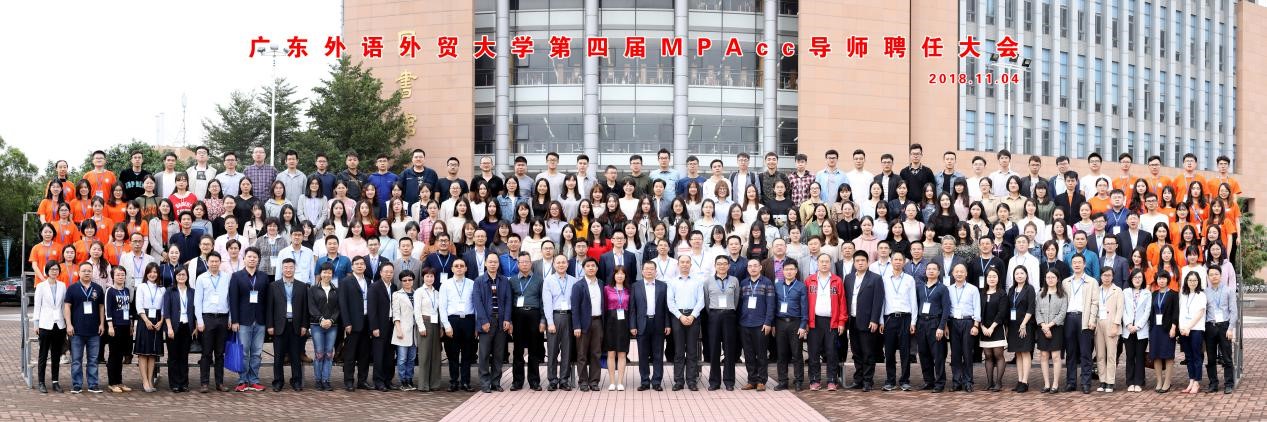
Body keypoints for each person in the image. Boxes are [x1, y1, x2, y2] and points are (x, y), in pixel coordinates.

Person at [228, 247, 268, 392]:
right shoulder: (236, 276)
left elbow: (267, 300)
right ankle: (243, 380)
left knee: (257, 352)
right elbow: (233, 300)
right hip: (243, 321)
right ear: (244, 259)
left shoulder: (264, 277)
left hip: (260, 320)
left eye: (255, 257)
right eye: (249, 256)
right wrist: (235, 320)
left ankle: (254, 380)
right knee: (244, 352)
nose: (252, 259)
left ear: (258, 260)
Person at [267, 258, 309, 391]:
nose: (288, 270)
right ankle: (278, 381)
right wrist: (270, 325)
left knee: (295, 355)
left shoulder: (302, 286)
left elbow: (305, 308)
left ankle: (296, 381)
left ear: (295, 268)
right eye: (286, 267)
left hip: (296, 325)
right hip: (279, 325)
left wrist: (304, 325)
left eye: (291, 267)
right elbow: (269, 308)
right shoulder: (274, 286)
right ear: (282, 269)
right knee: (278, 356)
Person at [844, 250, 883, 391]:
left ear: (867, 262)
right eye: (857, 261)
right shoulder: (848, 278)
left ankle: (868, 381)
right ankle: (858, 379)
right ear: (854, 263)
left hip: (867, 321)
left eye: (863, 261)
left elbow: (878, 301)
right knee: (856, 352)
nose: (860, 263)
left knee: (868, 352)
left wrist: (874, 319)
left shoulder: (875, 278)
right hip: (852, 320)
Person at [65, 262, 106, 394]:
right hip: (76, 330)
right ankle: (77, 384)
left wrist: (102, 324)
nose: (87, 273)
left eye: (89, 271)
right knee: (76, 360)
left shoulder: (98, 288)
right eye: (84, 271)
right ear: (79, 272)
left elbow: (101, 307)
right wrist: (69, 324)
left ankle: (93, 384)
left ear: (92, 272)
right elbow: (67, 307)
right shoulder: (72, 288)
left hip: (94, 330)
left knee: (93, 360)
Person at [472, 254, 511, 393]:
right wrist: (483, 321)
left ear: (498, 264)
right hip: (486, 322)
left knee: (498, 354)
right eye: (490, 262)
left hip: (500, 322)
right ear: (486, 264)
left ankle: (495, 382)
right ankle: (484, 383)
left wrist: (507, 319)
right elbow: (477, 302)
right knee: (484, 354)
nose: (493, 264)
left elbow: (508, 300)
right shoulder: (479, 281)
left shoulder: (504, 280)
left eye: (495, 262)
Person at [438, 258, 478, 392]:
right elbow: (442, 307)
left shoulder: (472, 284)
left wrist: (476, 325)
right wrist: (446, 325)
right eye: (456, 266)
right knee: (452, 354)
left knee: (467, 354)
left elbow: (476, 305)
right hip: (452, 321)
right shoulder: (446, 285)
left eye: (462, 266)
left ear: (466, 268)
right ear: (452, 269)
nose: (459, 268)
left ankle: (466, 382)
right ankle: (453, 382)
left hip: (468, 321)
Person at [193, 252, 229, 393]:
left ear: (220, 262)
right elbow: (197, 301)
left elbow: (229, 299)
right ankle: (204, 383)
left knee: (220, 353)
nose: (214, 264)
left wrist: (230, 318)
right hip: (207, 318)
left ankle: (220, 383)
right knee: (206, 353)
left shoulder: (226, 277)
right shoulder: (201, 278)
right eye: (211, 261)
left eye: (216, 261)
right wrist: (199, 321)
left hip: (223, 318)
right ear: (207, 263)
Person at [508, 252, 545, 391]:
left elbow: (542, 301)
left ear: (531, 263)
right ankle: (517, 381)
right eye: (521, 262)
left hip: (534, 315)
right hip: (517, 316)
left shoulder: (539, 280)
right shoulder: (512, 281)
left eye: (527, 262)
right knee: (518, 350)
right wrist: (510, 321)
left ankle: (534, 381)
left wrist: (543, 320)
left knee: (534, 349)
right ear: (518, 264)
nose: (524, 264)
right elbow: (509, 302)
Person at [880, 251, 917, 391]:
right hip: (889, 318)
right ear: (891, 261)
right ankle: (890, 380)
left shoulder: (909, 279)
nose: (897, 262)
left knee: (905, 351)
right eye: (895, 259)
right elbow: (882, 301)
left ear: (904, 262)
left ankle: (905, 380)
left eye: (900, 260)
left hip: (905, 318)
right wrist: (881, 320)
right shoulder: (884, 279)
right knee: (889, 351)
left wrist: (913, 321)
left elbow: (913, 301)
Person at [631, 260, 670, 391]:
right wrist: (633, 325)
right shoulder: (636, 286)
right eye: (646, 269)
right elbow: (632, 308)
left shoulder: (663, 286)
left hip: (658, 323)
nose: (649, 271)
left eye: (651, 269)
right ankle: (645, 381)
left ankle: (657, 381)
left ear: (655, 271)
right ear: (642, 271)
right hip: (642, 324)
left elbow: (666, 307)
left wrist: (667, 324)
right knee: (643, 354)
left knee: (658, 354)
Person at [668, 254, 705, 391]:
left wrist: (693, 315)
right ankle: (678, 381)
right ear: (678, 265)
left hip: (693, 317)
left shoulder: (698, 281)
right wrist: (680, 316)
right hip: (678, 317)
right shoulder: (672, 282)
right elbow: (670, 302)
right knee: (678, 351)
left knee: (692, 350)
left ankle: (691, 381)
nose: (684, 264)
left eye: (687, 262)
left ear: (691, 265)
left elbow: (701, 301)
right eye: (682, 262)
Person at [738, 258, 775, 391]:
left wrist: (768, 322)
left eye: (755, 266)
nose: (753, 268)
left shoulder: (767, 283)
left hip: (761, 324)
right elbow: (740, 303)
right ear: (747, 268)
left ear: (760, 268)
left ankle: (761, 381)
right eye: (750, 266)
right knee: (748, 354)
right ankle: (751, 380)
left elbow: (771, 304)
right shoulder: (743, 283)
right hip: (745, 323)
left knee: (761, 354)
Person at [1062, 254, 1096, 394]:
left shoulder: (1092, 282)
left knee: (1085, 353)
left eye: (1079, 262)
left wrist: (1092, 319)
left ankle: (1086, 383)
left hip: (1084, 318)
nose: (1076, 264)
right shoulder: (1066, 282)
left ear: (1084, 264)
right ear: (1071, 265)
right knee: (1070, 352)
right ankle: (1071, 382)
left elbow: (1095, 302)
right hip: (1069, 318)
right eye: (1074, 262)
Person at [705, 255, 740, 391]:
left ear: (728, 266)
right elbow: (707, 301)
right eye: (719, 263)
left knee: (729, 349)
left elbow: (736, 299)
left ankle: (729, 381)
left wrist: (728, 310)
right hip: (714, 315)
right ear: (715, 266)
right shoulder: (708, 281)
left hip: (729, 316)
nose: (722, 266)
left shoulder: (734, 280)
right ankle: (714, 381)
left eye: (725, 263)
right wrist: (714, 312)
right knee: (714, 349)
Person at [570, 258, 605, 392]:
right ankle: (583, 381)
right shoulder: (578, 286)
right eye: (588, 266)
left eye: (593, 266)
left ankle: (594, 381)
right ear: (584, 268)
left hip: (598, 322)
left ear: (597, 268)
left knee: (596, 353)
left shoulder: (601, 284)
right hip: (583, 324)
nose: (591, 268)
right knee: (582, 354)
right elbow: (575, 308)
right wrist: (576, 326)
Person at [339, 256, 373, 391]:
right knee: (350, 354)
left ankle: (362, 381)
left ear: (365, 266)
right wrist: (346, 323)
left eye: (362, 264)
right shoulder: (346, 281)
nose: (360, 266)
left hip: (367, 321)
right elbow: (343, 304)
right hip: (352, 323)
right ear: (352, 266)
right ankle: (348, 381)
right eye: (357, 264)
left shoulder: (369, 281)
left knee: (365, 354)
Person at [543, 254, 577, 391]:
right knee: (552, 350)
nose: (561, 265)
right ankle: (552, 380)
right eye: (558, 262)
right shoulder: (548, 280)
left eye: (563, 262)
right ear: (554, 265)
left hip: (569, 317)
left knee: (567, 351)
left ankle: (564, 380)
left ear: (567, 265)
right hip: (555, 317)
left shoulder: (574, 281)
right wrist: (550, 322)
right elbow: (547, 303)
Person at [915, 261, 950, 392]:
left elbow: (946, 309)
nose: (931, 271)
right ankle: (928, 381)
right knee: (923, 354)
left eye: (934, 269)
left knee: (938, 355)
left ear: (938, 272)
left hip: (935, 323)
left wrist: (941, 326)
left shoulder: (943, 288)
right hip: (921, 323)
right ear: (925, 271)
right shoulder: (920, 287)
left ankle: (940, 383)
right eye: (929, 269)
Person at [946, 262, 981, 392]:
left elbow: (977, 307)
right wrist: (946, 326)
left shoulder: (973, 289)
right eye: (957, 271)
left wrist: (976, 325)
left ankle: (968, 382)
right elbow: (946, 308)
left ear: (966, 274)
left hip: (968, 322)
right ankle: (956, 382)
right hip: (953, 322)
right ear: (953, 274)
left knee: (967, 353)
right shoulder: (948, 289)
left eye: (962, 271)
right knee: (955, 354)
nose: (959, 274)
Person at [34, 262, 68, 393]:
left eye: (56, 269)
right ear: (47, 271)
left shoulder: (62, 285)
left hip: (59, 325)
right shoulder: (41, 286)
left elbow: (63, 306)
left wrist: (66, 322)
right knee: (43, 355)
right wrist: (36, 323)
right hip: (45, 324)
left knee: (56, 355)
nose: (54, 271)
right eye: (52, 269)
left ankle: (55, 382)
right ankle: (41, 382)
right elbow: (37, 306)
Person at [1203, 266, 1237, 394]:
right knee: (1211, 358)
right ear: (1208, 277)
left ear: (1221, 275)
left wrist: (1230, 328)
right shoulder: (1205, 292)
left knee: (1227, 357)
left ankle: (1229, 384)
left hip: (1224, 327)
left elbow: (1233, 311)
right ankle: (1213, 384)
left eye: (1216, 274)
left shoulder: (1229, 290)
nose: (1214, 276)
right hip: (1210, 327)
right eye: (1211, 274)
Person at [162, 267, 196, 392]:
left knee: (184, 356)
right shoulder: (170, 291)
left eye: (183, 274)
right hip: (173, 327)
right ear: (175, 277)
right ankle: (174, 384)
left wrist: (195, 326)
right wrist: (169, 328)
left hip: (187, 327)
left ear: (187, 276)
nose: (181, 277)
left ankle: (184, 383)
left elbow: (195, 310)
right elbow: (166, 311)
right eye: (179, 275)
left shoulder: (192, 291)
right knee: (173, 357)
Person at [308, 263, 340, 392]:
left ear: (332, 274)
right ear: (320, 273)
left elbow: (338, 308)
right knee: (319, 353)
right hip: (317, 325)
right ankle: (318, 380)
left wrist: (331, 320)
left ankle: (326, 380)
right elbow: (311, 307)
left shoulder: (336, 290)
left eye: (329, 272)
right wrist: (321, 319)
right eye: (324, 272)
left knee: (329, 353)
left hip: (333, 325)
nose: (327, 274)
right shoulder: (312, 289)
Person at [1092, 267, 1123, 392]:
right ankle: (1102, 380)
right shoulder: (1097, 290)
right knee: (1100, 355)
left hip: (1111, 324)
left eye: (1109, 275)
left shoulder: (1117, 290)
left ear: (1113, 276)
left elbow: (1120, 309)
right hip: (1098, 324)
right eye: (1104, 275)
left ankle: (1110, 381)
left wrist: (1116, 324)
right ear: (1100, 276)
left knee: (1111, 354)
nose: (1106, 278)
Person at [1006, 266, 1037, 392]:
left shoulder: (1029, 289)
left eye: (1022, 273)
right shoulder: (1011, 289)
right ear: (1014, 276)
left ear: (1026, 275)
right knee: (1018, 353)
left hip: (1025, 325)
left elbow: (1031, 308)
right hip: (1013, 326)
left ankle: (1025, 381)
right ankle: (1019, 380)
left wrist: (1024, 324)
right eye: (1017, 273)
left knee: (1025, 352)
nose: (1019, 276)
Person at [1120, 269, 1152, 393]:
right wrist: (1128, 324)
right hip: (1128, 329)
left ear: (1143, 279)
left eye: (1139, 277)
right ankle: (1130, 382)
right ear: (1131, 279)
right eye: (1135, 277)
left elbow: (1147, 311)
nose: (1137, 280)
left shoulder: (1147, 293)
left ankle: (1139, 382)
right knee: (1129, 356)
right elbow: (1123, 309)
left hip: (1141, 330)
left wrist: (1137, 326)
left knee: (1140, 356)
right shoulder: (1125, 292)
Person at [368, 262, 398, 391]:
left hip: (392, 324)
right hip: (379, 325)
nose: (388, 274)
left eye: (391, 272)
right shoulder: (374, 287)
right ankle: (378, 381)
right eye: (386, 271)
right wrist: (374, 327)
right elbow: (371, 309)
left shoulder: (394, 287)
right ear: (380, 273)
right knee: (379, 355)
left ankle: (388, 380)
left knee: (390, 354)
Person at [603, 266, 633, 391]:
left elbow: (632, 308)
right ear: (613, 275)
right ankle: (611, 382)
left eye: (622, 274)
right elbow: (604, 307)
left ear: (625, 276)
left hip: (624, 323)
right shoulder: (607, 289)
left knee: (622, 353)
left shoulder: (629, 290)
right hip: (610, 323)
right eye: (617, 273)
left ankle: (620, 382)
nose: (620, 276)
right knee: (611, 353)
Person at [103, 266, 133, 393]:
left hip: (125, 326)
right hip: (115, 326)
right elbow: (107, 309)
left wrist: (131, 325)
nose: (120, 277)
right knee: (114, 355)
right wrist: (110, 325)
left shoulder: (126, 290)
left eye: (122, 274)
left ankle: (119, 381)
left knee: (121, 355)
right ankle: (112, 383)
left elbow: (128, 308)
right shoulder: (110, 291)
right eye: (118, 274)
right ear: (113, 277)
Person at [978, 268, 1007, 392]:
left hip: (997, 328)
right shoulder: (982, 293)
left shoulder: (1002, 294)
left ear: (998, 278)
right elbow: (978, 311)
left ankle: (998, 382)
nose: (992, 279)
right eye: (989, 276)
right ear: (986, 279)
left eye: (994, 276)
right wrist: (982, 327)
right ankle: (990, 382)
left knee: (998, 355)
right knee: (988, 356)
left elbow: (1002, 313)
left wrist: (992, 327)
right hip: (984, 329)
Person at [1177, 271, 1207, 395]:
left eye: (1195, 280)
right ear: (1186, 281)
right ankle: (1191, 380)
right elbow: (1181, 312)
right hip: (1184, 330)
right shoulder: (1183, 294)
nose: (1192, 282)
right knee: (1188, 357)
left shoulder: (1201, 295)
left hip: (1196, 329)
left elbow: (1200, 313)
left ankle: (1197, 382)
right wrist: (1182, 328)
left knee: (1196, 356)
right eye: (1190, 280)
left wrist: (1189, 327)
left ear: (1198, 281)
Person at [390, 269, 419, 391]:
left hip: (414, 331)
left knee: (412, 358)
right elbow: (396, 313)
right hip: (402, 330)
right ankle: (403, 381)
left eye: (410, 280)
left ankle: (409, 379)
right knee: (402, 358)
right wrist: (398, 329)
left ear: (413, 280)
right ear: (401, 281)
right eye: (404, 280)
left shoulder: (417, 293)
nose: (407, 282)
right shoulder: (397, 294)